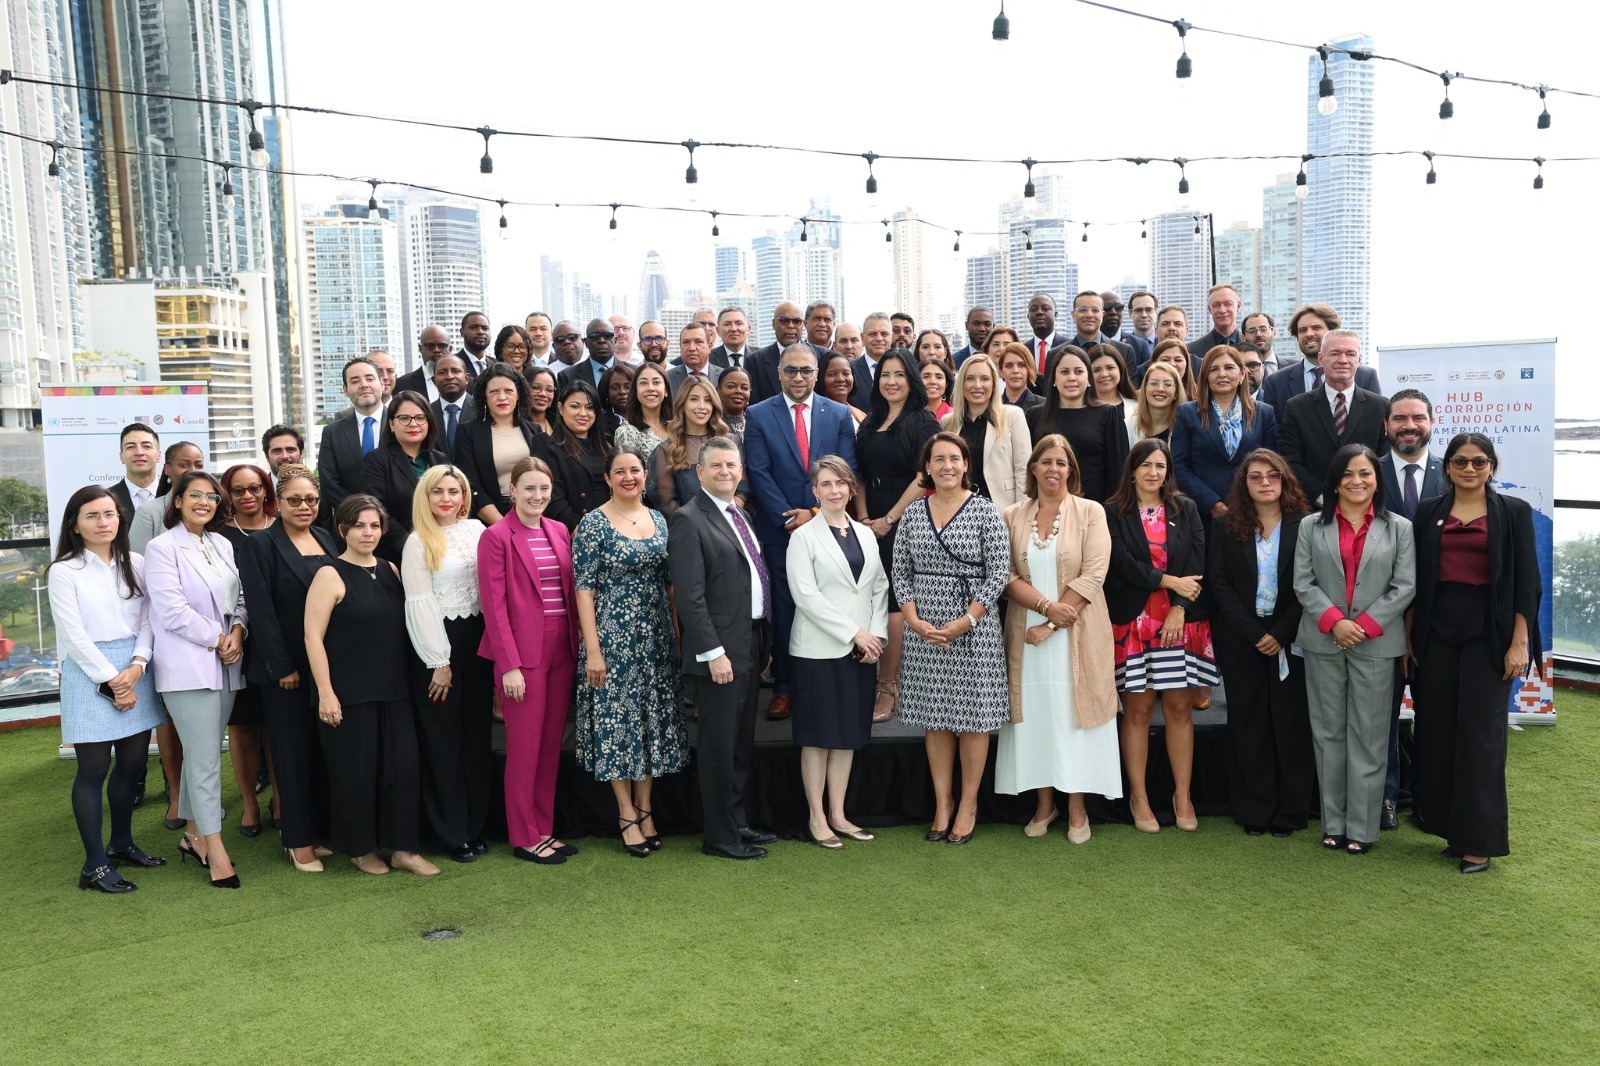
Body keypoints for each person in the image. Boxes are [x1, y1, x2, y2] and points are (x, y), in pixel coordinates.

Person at [1408, 434, 1541, 874]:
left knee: (1481, 738)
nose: (1470, 468)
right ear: (1447, 467)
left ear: (1492, 465)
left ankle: (1479, 842)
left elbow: (1527, 582)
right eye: (1461, 461)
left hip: (1491, 633)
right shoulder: (1428, 512)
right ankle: (1451, 831)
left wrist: (1519, 640)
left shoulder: (1514, 513)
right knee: (1438, 730)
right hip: (1437, 632)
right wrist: (1409, 639)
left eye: (1479, 461)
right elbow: (1417, 581)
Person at [304, 495, 438, 877]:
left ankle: (404, 850)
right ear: (343, 529)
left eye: (375, 525)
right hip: (349, 693)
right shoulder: (328, 574)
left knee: (404, 769)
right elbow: (312, 638)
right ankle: (360, 849)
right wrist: (326, 693)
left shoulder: (392, 569)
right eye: (360, 525)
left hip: (395, 690)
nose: (368, 532)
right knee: (355, 773)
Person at [1293, 444, 1416, 855]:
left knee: (1369, 735)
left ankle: (1362, 829)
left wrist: (1360, 626)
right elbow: (1303, 583)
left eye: (1365, 473)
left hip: (1376, 643)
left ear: (1377, 479)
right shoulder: (1312, 525)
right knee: (1328, 734)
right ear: (1335, 480)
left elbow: (1405, 586)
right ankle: (1334, 823)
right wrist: (1335, 622)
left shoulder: (1398, 527)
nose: (1357, 481)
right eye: (1348, 473)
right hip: (1323, 640)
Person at [996, 436, 1120, 844]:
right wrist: (1046, 609)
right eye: (1045, 461)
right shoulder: (1012, 514)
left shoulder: (1091, 512)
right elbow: (1005, 575)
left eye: (1061, 463)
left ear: (1071, 470)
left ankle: (1078, 808)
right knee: (1037, 717)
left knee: (1074, 718)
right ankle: (1044, 805)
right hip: (1026, 634)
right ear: (1032, 468)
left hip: (1076, 632)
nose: (1053, 468)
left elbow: (1094, 573)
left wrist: (1050, 624)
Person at [893, 432, 1010, 844]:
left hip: (972, 628)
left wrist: (967, 620)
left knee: (973, 720)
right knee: (935, 718)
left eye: (954, 458)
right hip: (923, 627)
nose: (946, 465)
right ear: (926, 467)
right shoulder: (912, 514)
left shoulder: (984, 512)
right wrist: (913, 619)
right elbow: (900, 572)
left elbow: (998, 574)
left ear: (966, 465)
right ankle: (942, 803)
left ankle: (968, 804)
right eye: (938, 459)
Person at [573, 450, 688, 858]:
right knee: (617, 725)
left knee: (650, 722)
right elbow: (583, 590)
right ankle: (625, 814)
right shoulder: (592, 523)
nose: (628, 477)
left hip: (655, 635)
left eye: (635, 470)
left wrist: (676, 635)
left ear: (644, 476)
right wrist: (593, 651)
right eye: (619, 471)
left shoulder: (659, 519)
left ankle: (646, 808)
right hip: (612, 636)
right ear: (607, 477)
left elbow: (671, 582)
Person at [667, 437, 778, 860]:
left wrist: (762, 639)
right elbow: (689, 598)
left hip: (750, 640)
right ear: (699, 472)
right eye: (716, 466)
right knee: (717, 744)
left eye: (732, 465)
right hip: (719, 650)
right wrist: (713, 653)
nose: (726, 472)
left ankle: (737, 820)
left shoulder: (740, 514)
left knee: (739, 742)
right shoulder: (688, 520)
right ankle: (718, 835)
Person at [49, 486, 164, 893]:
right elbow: (72, 634)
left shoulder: (135, 561)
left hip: (136, 667)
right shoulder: (64, 570)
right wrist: (112, 681)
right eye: (92, 516)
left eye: (110, 514)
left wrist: (136, 666)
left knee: (133, 765)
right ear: (75, 525)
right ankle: (94, 865)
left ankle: (121, 843)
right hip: (89, 672)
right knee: (93, 769)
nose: (104, 522)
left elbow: (150, 619)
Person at [744, 343, 860, 722]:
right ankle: (785, 687)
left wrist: (813, 512)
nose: (798, 377)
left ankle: (826, 685)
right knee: (786, 607)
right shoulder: (758, 414)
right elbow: (758, 472)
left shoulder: (839, 413)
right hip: (781, 531)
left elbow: (845, 469)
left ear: (816, 372)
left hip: (827, 525)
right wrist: (789, 518)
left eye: (806, 371)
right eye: (791, 370)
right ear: (779, 372)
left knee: (830, 603)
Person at [1104, 439, 1215, 834]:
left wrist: (1179, 607)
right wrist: (1167, 581)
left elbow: (1197, 562)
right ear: (1132, 469)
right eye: (1146, 465)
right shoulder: (1112, 512)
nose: (1154, 473)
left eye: (1161, 466)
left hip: (1179, 621)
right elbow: (1119, 563)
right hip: (1133, 622)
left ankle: (1181, 795)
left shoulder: (1185, 509)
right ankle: (1139, 797)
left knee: (1180, 710)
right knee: (1136, 711)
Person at [144, 470, 248, 888]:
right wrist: (219, 637)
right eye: (195, 495)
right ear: (178, 500)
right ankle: (216, 851)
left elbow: (240, 597)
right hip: (188, 665)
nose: (204, 502)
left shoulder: (220, 543)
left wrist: (238, 631)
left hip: (227, 660)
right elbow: (170, 611)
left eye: (211, 496)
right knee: (205, 760)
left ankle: (192, 835)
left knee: (201, 753)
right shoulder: (161, 547)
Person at [477, 458, 580, 865]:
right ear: (512, 491)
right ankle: (524, 836)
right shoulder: (497, 537)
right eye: (530, 489)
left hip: (561, 649)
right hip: (523, 655)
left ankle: (545, 829)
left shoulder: (557, 530)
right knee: (524, 746)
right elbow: (494, 606)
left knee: (551, 745)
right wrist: (510, 666)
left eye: (544, 489)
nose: (538, 496)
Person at [1207, 450, 1315, 836]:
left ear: (1285, 480)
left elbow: (1311, 586)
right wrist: (1256, 634)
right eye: (1256, 477)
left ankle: (1290, 811)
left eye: (1273, 476)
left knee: (1290, 724)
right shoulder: (1225, 525)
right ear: (1244, 483)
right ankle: (1254, 810)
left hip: (1292, 637)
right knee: (1248, 724)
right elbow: (1218, 582)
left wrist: (1280, 633)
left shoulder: (1307, 525)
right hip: (1241, 640)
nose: (1265, 482)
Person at [237, 465, 337, 872]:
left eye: (311, 499)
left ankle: (318, 830)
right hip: (285, 671)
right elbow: (260, 610)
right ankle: (297, 841)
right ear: (279, 502)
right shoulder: (261, 544)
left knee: (320, 753)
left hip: (326, 666)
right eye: (294, 500)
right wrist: (281, 666)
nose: (304, 506)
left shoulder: (327, 537)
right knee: (291, 755)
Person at [786, 456, 889, 848]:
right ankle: (816, 817)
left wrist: (874, 636)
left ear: (851, 488)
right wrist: (855, 634)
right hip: (817, 650)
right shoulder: (803, 537)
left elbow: (879, 586)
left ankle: (839, 815)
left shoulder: (865, 535)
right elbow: (806, 596)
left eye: (841, 483)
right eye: (825, 484)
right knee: (818, 737)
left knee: (846, 735)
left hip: (863, 650)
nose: (834, 490)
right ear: (815, 492)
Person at [402, 465, 492, 863]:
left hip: (479, 642)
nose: (447, 499)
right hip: (438, 647)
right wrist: (440, 661)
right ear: (426, 495)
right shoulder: (417, 541)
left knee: (475, 737)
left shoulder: (477, 531)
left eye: (454, 491)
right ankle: (451, 833)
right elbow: (419, 603)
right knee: (443, 743)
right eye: (438, 491)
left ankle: (476, 825)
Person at [854, 348, 942, 722]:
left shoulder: (924, 422)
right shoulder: (870, 422)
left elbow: (925, 477)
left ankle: (888, 686)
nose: (891, 381)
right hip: (866, 515)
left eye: (899, 375)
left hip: (905, 515)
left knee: (893, 600)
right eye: (885, 374)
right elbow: (857, 472)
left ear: (912, 380)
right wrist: (863, 518)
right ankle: (864, 680)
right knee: (867, 594)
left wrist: (888, 519)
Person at [216, 464, 277, 837]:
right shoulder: (218, 536)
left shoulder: (285, 524)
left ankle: (281, 798)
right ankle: (250, 804)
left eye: (255, 488)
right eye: (238, 490)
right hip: (237, 641)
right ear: (228, 494)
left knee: (276, 724)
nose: (248, 496)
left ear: (266, 490)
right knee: (241, 725)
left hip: (278, 639)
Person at [1279, 330, 1389, 505]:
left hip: (1368, 507)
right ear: (1321, 359)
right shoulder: (1297, 407)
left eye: (1350, 354)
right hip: (1315, 511)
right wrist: (1323, 496)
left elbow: (1384, 459)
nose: (1343, 360)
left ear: (1359, 360)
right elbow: (1291, 460)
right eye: (1335, 353)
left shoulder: (1381, 406)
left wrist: (1362, 494)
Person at [1173, 346, 1280, 527]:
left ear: (1242, 374)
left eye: (1229, 368)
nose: (1222, 374)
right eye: (1214, 369)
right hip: (1203, 513)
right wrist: (1211, 503)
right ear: (1205, 376)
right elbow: (1179, 465)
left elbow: (1271, 463)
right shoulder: (1187, 412)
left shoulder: (1264, 412)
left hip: (1252, 509)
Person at [1027, 346, 1131, 504]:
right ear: (1054, 378)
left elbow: (1120, 473)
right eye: (1064, 372)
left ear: (1088, 377)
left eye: (1078, 371)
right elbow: (1027, 468)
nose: (1071, 378)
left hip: (1096, 511)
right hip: (1045, 510)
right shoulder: (1035, 416)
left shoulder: (1108, 414)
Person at [361, 391, 448, 563]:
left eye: (420, 418)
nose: (413, 424)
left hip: (441, 549)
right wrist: (411, 545)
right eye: (404, 418)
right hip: (398, 553)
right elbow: (378, 509)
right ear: (392, 423)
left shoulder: (440, 459)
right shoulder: (377, 460)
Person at [454, 362, 546, 525]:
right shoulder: (467, 432)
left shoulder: (534, 430)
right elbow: (470, 485)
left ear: (519, 394)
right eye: (494, 392)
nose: (502, 397)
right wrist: (503, 526)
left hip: (532, 512)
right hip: (490, 518)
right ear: (485, 396)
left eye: (509, 391)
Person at [942, 354, 1031, 511]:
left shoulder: (1012, 416)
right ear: (961, 383)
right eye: (970, 379)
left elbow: (1023, 471)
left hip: (1002, 509)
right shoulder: (947, 422)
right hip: (959, 511)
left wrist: (1021, 515)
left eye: (984, 379)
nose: (977, 385)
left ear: (994, 384)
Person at [650, 376, 741, 514]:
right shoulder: (666, 450)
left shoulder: (732, 442)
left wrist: (725, 519)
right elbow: (668, 503)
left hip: (731, 522)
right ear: (682, 404)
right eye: (694, 399)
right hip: (689, 529)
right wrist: (701, 526)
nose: (702, 406)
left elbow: (743, 491)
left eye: (708, 400)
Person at [318, 356, 386, 522]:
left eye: (370, 378)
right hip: (351, 526)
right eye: (355, 381)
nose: (363, 384)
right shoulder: (332, 432)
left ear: (382, 384)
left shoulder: (402, 423)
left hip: (400, 528)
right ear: (346, 390)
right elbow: (329, 484)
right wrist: (361, 516)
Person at [546, 379, 612, 530]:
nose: (583, 413)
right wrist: (579, 532)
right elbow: (553, 498)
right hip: (576, 531)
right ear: (561, 408)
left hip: (613, 527)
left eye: (590, 407)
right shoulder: (549, 446)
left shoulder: (606, 445)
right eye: (575, 406)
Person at [614, 361, 674, 459]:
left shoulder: (677, 428)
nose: (650, 388)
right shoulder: (627, 432)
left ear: (666, 390)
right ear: (635, 390)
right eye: (643, 383)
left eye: (656, 382)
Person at [1127, 360, 1182, 444]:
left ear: (1176, 392)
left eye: (1168, 384)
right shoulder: (1127, 426)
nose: (1160, 389)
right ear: (1145, 388)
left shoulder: (1184, 427)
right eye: (1153, 383)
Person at [1088, 343, 1137, 420]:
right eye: (1096, 370)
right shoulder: (1080, 408)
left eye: (1110, 368)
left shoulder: (1137, 407)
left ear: (1120, 369)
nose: (1104, 374)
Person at [995, 341, 1043, 413]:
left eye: (1021, 365)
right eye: (1009, 366)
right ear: (1001, 371)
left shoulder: (1044, 406)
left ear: (1029, 369)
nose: (1015, 371)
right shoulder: (991, 405)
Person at [821, 351, 868, 424]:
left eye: (846, 373)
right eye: (832, 374)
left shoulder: (862, 417)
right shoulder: (813, 416)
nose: (840, 379)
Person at [598, 361, 636, 432]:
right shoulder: (599, 422)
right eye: (615, 388)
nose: (622, 392)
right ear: (606, 391)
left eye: (628, 387)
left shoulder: (649, 416)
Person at [717, 366, 752, 438]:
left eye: (744, 388)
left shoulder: (755, 422)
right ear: (718, 390)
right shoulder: (712, 424)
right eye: (731, 386)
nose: (738, 391)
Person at [919, 353, 955, 421]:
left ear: (946, 384)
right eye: (926, 376)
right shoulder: (907, 415)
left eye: (939, 377)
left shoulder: (954, 416)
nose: (932, 381)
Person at [527, 366, 559, 436]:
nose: (543, 394)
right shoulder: (515, 426)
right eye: (536, 387)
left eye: (549, 390)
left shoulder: (560, 426)